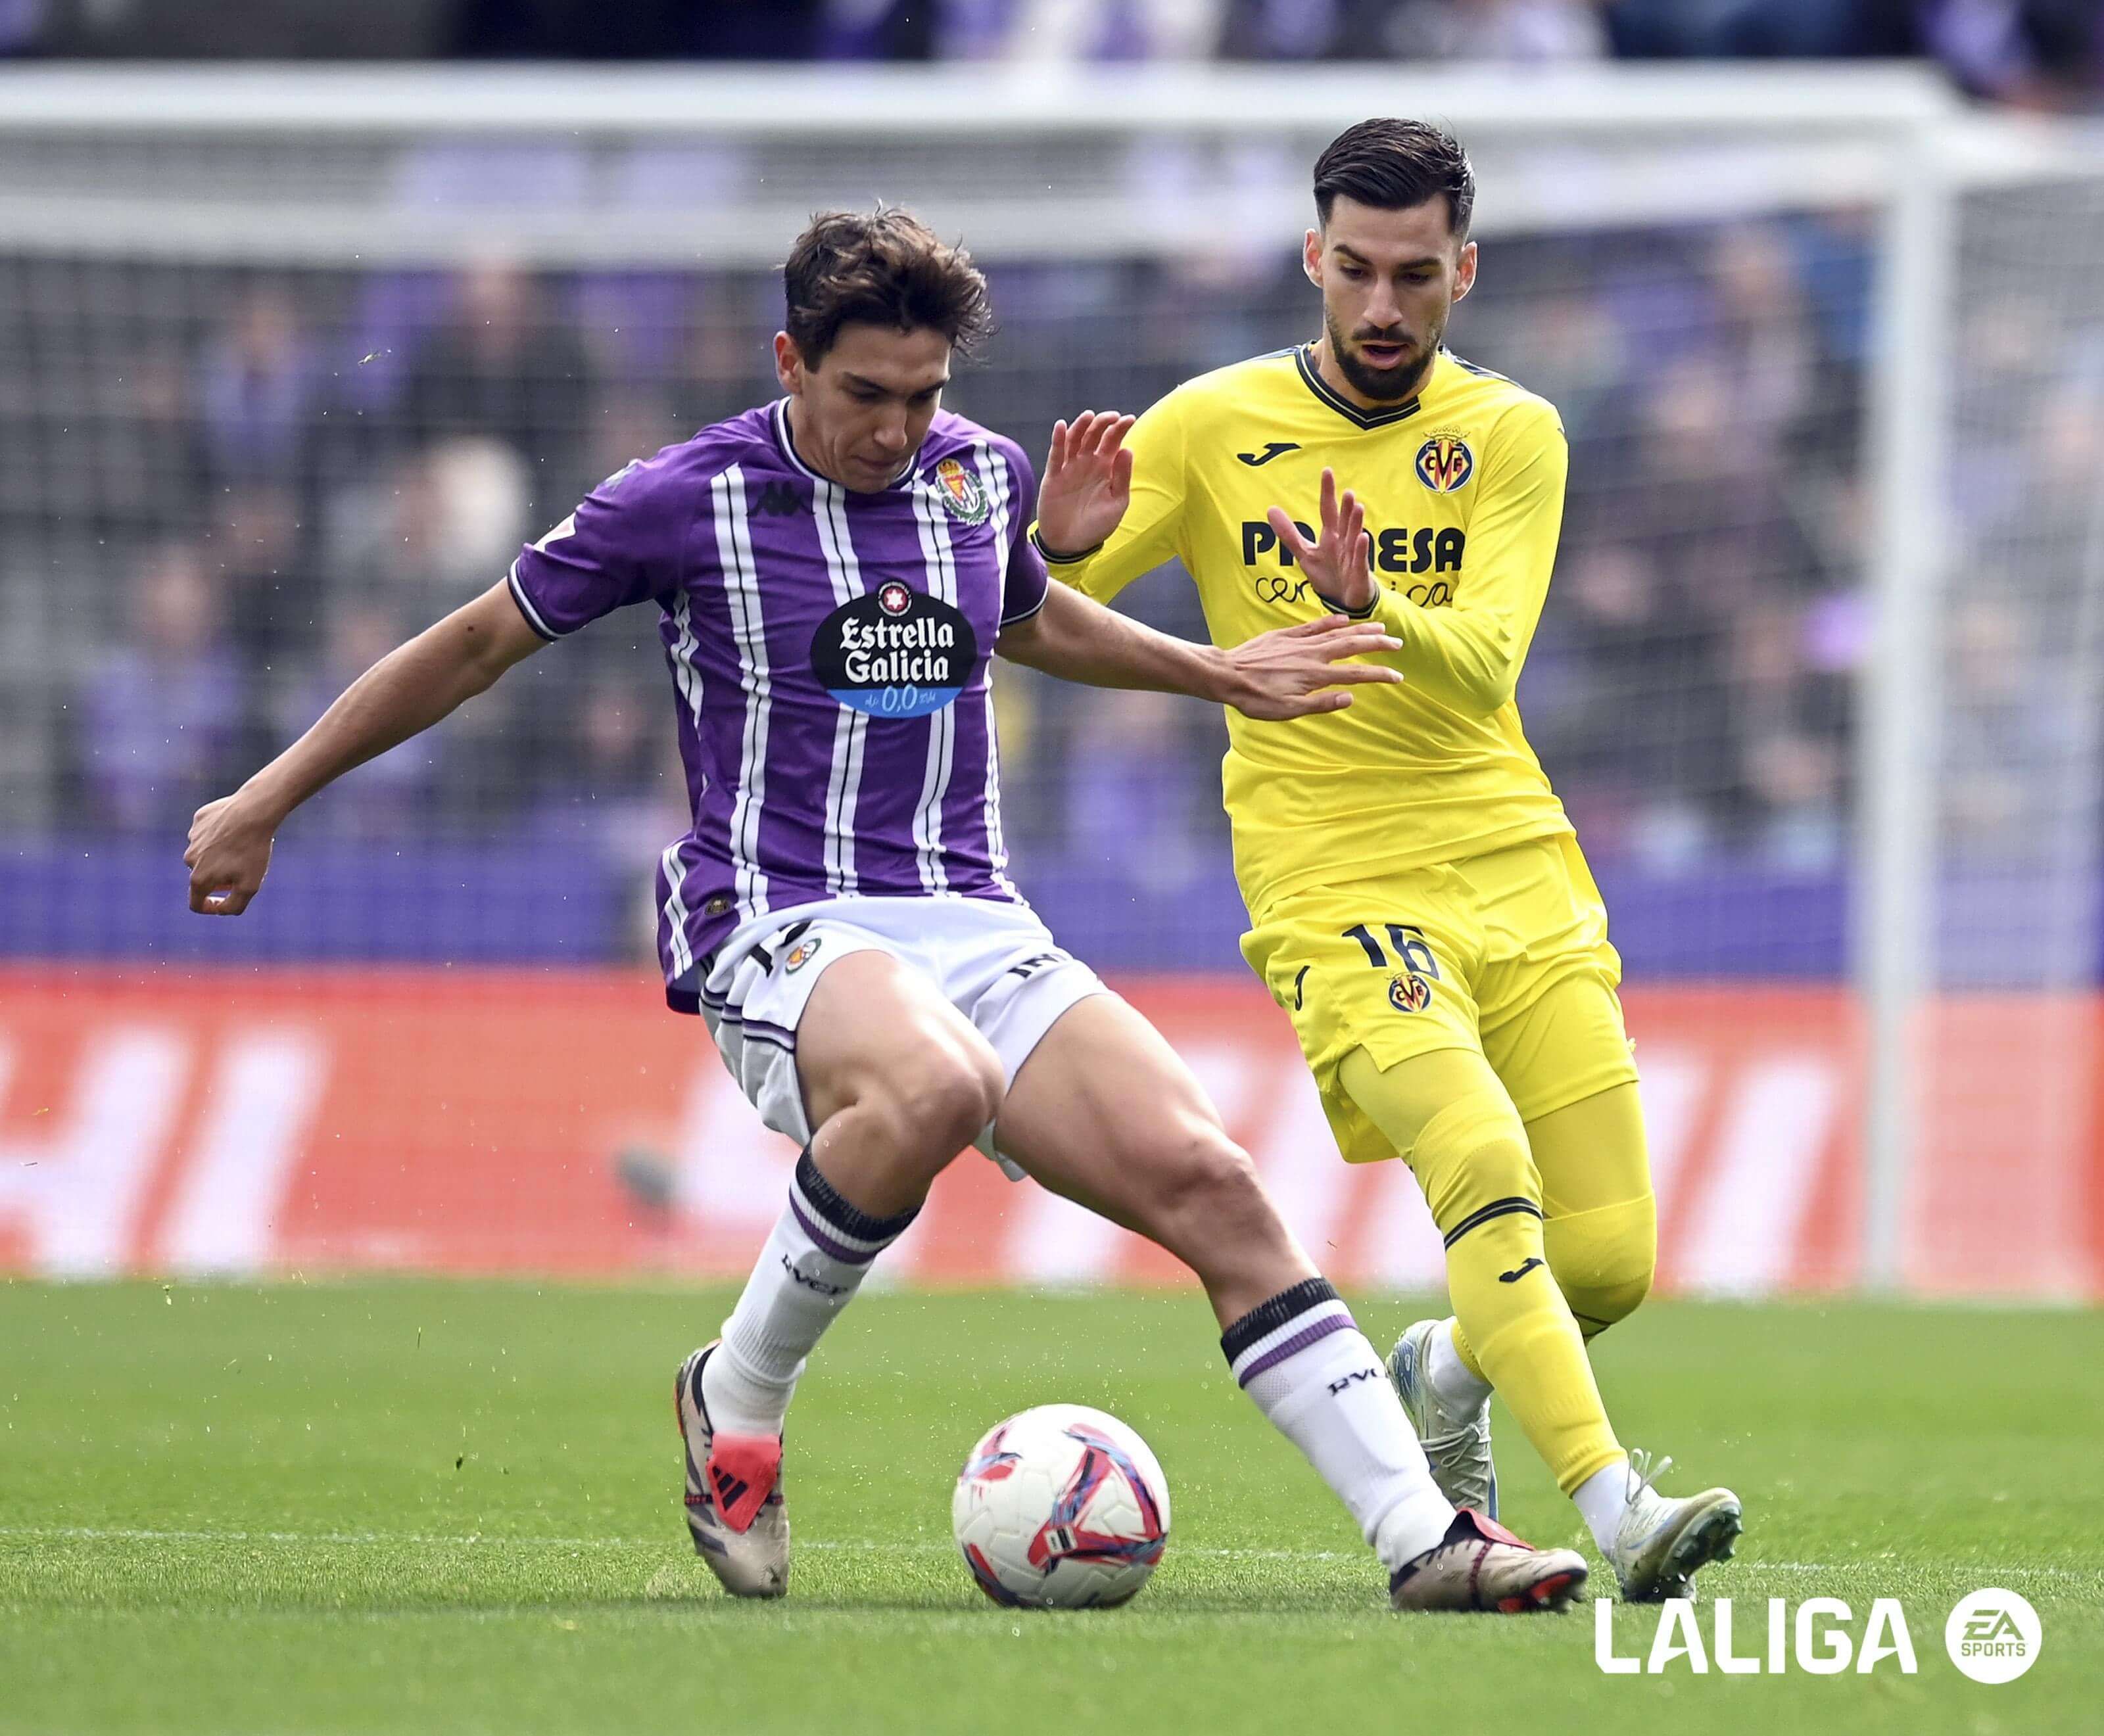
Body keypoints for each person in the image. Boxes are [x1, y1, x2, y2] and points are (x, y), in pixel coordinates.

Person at [185, 206, 1590, 1614]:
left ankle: (1428, 1542)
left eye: (923, 397)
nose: (895, 430)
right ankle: (734, 1401)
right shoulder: (686, 497)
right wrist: (267, 797)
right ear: (790, 360)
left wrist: (1219, 670)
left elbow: (1033, 619)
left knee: (1214, 1187)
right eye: (864, 396)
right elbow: (479, 640)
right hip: (777, 919)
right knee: (932, 1081)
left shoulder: (977, 479)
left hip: (974, 921)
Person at [1029, 121, 1744, 1601]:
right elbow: (1034, 619)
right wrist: (1048, 548)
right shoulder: (1212, 426)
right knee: (1478, 1160)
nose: (1379, 307)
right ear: (1312, 259)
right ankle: (1614, 1507)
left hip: (1516, 865)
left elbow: (1481, 667)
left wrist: (1372, 609)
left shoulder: (1510, 433)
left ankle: (1444, 1367)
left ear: (1462, 272)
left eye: (1414, 275)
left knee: (1605, 1262)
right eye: (1353, 269)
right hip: (1334, 882)